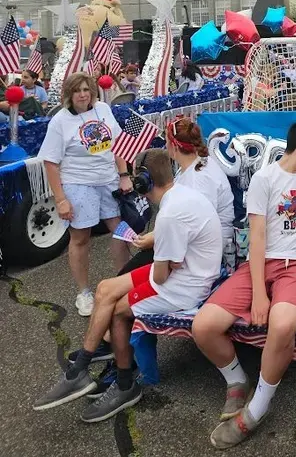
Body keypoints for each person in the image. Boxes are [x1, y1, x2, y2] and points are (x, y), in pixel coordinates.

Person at [33, 148, 223, 422]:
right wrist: (166, 260)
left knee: (118, 310)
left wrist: (165, 261)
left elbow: (161, 277)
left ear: (143, 182)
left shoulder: (170, 214)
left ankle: (123, 384)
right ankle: (82, 370)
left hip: (186, 285)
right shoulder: (182, 196)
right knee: (104, 289)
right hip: (185, 272)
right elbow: (170, 263)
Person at [191, 121, 296, 449]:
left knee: (282, 325)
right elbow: (257, 238)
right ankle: (236, 380)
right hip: (263, 262)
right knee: (204, 326)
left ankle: (257, 408)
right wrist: (257, 294)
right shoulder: (264, 179)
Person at [37, 72, 132, 316]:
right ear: (69, 94)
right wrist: (60, 199)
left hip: (108, 180)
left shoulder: (103, 109)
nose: (82, 94)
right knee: (80, 238)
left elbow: (118, 144)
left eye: (86, 89)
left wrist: (124, 175)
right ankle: (84, 293)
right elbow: (50, 162)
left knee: (120, 231)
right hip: (78, 183)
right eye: (77, 90)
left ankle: (124, 282)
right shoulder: (59, 121)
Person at [165, 117, 234, 241]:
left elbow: (201, 223)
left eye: (166, 142)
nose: (165, 146)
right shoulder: (195, 165)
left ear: (174, 147)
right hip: (200, 235)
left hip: (210, 243)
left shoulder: (199, 177)